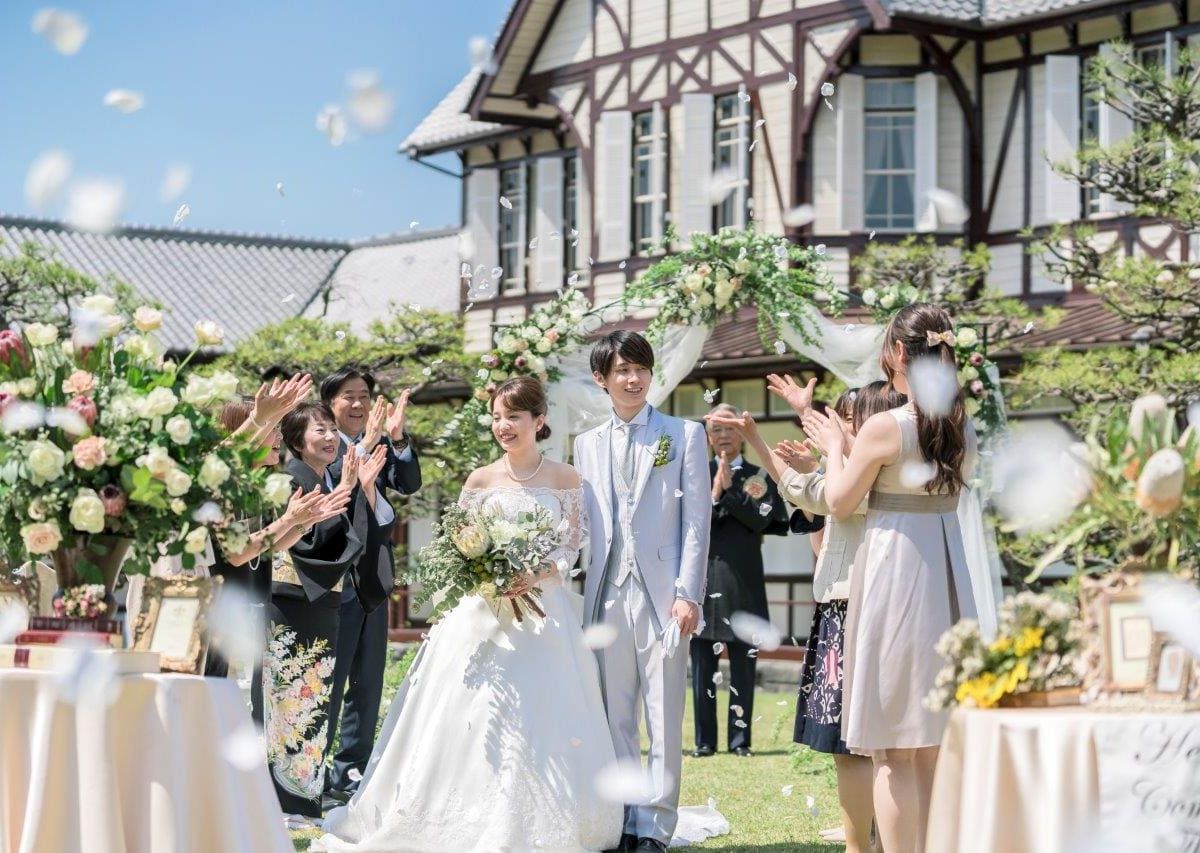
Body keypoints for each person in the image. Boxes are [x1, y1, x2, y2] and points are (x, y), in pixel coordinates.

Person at [319, 377, 622, 851]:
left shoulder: (566, 478)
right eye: (497, 417)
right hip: (482, 613)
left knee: (545, 711)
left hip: (545, 613)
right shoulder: (480, 479)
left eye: (514, 416)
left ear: (538, 420)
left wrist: (541, 571)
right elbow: (458, 542)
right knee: (471, 714)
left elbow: (571, 547)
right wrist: (483, 571)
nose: (503, 426)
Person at [800, 304, 978, 853]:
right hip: (946, 575)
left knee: (893, 749)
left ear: (898, 353)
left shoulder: (886, 426)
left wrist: (835, 448)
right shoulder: (961, 425)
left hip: (896, 576)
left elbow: (838, 501)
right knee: (931, 742)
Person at [713, 379, 906, 853]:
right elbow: (803, 491)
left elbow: (823, 493)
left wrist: (820, 448)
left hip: (859, 612)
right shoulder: (853, 471)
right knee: (849, 745)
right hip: (843, 611)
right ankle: (866, 842)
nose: (838, 426)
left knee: (862, 747)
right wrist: (761, 439)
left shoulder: (878, 475)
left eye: (848, 419)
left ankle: (870, 844)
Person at [574, 330, 711, 853]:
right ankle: (626, 821)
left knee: (663, 713)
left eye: (641, 369)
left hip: (664, 594)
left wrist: (688, 592)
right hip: (607, 592)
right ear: (602, 379)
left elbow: (696, 521)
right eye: (623, 371)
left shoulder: (684, 434)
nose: (634, 380)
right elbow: (584, 523)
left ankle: (656, 826)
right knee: (616, 714)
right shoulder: (586, 444)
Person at [262, 401, 387, 826]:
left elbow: (346, 538)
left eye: (333, 429)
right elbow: (312, 544)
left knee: (314, 700)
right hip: (290, 602)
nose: (331, 437)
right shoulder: (289, 481)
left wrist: (354, 489)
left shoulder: (324, 480)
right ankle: (283, 803)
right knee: (288, 701)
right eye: (320, 430)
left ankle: (304, 799)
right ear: (297, 441)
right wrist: (346, 490)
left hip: (321, 604)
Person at [319, 368, 422, 806]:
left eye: (364, 395)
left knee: (367, 682)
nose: (359, 404)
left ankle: (350, 774)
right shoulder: (321, 444)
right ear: (330, 404)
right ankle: (311, 775)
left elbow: (408, 484)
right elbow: (334, 491)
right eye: (349, 396)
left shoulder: (378, 443)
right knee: (329, 679)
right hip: (332, 582)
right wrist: (364, 447)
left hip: (373, 580)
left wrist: (396, 440)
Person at [689, 402, 790, 760]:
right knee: (702, 669)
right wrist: (714, 492)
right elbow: (687, 525)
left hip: (743, 585)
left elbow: (762, 520)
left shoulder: (757, 476)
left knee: (744, 670)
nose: (723, 435)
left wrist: (730, 490)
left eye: (730, 428)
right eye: (716, 429)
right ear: (707, 436)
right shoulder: (694, 474)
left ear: (742, 433)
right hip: (702, 586)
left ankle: (740, 741)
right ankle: (704, 741)